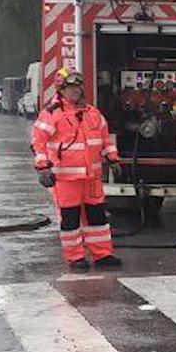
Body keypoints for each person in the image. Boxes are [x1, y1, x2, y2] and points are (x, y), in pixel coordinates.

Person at [32, 68, 123, 270]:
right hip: (66, 179)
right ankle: (75, 257)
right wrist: (42, 168)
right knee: (70, 219)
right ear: (61, 90)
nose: (76, 91)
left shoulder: (92, 113)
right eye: (71, 87)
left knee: (97, 217)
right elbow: (38, 143)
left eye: (78, 87)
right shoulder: (51, 114)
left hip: (92, 178)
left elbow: (105, 139)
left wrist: (113, 159)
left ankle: (102, 255)